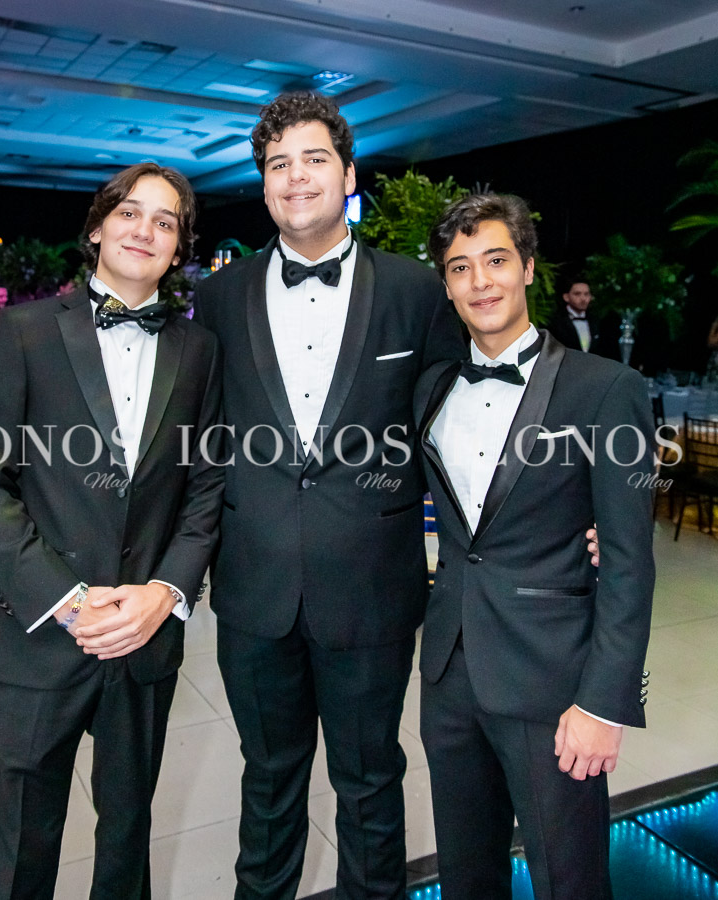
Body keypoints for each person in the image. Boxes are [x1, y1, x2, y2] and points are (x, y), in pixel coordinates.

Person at [193, 91, 465, 900]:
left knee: (369, 778)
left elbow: (458, 428)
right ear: (263, 185)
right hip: (254, 587)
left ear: (348, 175)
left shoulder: (415, 291)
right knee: (267, 780)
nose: (296, 177)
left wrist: (553, 519)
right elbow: (195, 439)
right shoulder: (219, 298)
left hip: (372, 587)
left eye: (314, 159)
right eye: (278, 164)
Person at [0, 161, 224, 900]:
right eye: (129, 213)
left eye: (165, 222)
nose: (145, 230)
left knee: (128, 834)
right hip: (36, 630)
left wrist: (164, 593)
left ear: (178, 248)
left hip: (143, 635)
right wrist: (68, 601)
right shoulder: (23, 331)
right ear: (98, 227)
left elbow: (206, 487)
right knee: (20, 842)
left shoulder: (199, 351)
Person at [414, 193, 655, 900]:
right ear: (446, 285)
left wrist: (604, 704)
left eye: (495, 260)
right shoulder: (430, 388)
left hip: (553, 681)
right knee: (466, 875)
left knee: (569, 880)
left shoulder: (606, 389)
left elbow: (629, 563)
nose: (479, 281)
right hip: (449, 674)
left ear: (526, 268)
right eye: (460, 267)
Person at [545, 279, 602, 354]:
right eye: (577, 294)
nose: (583, 298)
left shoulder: (596, 320)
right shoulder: (555, 322)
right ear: (566, 297)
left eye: (586, 294)